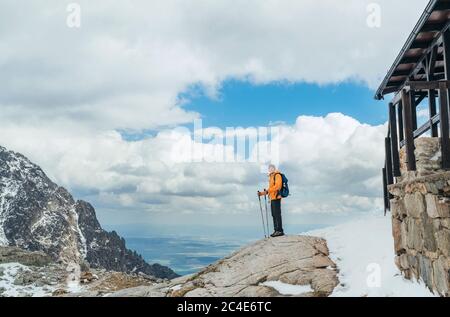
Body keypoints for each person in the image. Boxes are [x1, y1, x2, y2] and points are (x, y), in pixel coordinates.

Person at [258, 164, 284, 237]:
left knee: (277, 214)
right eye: (269, 168)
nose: (270, 169)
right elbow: (270, 190)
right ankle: (276, 230)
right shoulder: (271, 177)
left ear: (274, 168)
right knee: (273, 215)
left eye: (271, 168)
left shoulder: (277, 175)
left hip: (276, 197)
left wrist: (267, 191)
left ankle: (279, 231)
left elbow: (278, 186)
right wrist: (261, 193)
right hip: (272, 198)